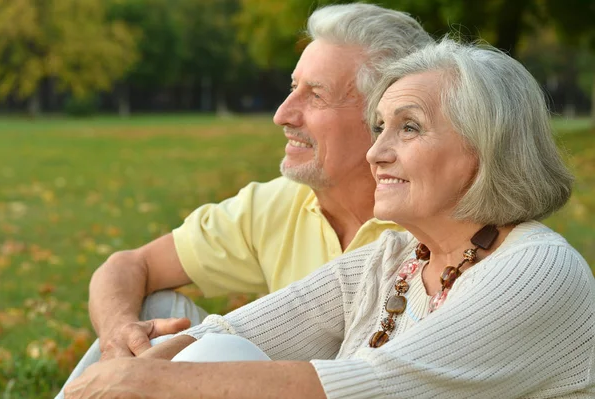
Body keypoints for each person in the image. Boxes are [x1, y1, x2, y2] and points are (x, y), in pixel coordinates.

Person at [64, 39, 595, 398]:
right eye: (378, 127)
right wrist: (129, 370)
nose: (376, 153)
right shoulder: (396, 259)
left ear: (486, 147)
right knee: (209, 344)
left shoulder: (538, 268)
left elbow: (372, 386)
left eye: (408, 128)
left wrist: (150, 383)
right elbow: (242, 328)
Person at [56, 3, 434, 396]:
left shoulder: (435, 223)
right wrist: (118, 335)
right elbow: (129, 265)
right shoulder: (275, 204)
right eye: (293, 89)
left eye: (316, 96)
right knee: (153, 314)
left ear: (385, 117)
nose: (283, 114)